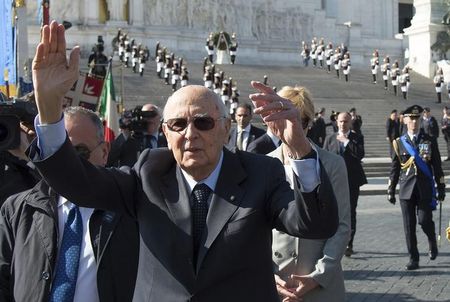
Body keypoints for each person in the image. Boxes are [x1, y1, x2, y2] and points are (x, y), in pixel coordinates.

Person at [28, 21, 338, 302]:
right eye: (178, 125)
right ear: (164, 132)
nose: (190, 135)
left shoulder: (261, 173)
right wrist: (49, 107)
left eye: (203, 123)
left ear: (226, 128)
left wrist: (298, 147)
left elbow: (315, 223)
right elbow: (77, 183)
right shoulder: (148, 174)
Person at [0, 106, 139, 302]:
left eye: (79, 152)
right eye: (56, 152)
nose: (65, 163)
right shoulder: (16, 210)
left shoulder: (133, 209)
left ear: (105, 151)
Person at [271, 86, 350, 302]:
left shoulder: (333, 164)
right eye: (285, 120)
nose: (293, 130)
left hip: (321, 286)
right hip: (275, 284)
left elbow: (342, 226)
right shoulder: (263, 164)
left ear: (310, 123)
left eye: (300, 122)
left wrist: (318, 275)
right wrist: (268, 275)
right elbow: (252, 230)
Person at [388, 105, 445, 270]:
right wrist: (391, 189)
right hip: (406, 190)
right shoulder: (399, 143)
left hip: (424, 188)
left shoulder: (429, 140)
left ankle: (432, 240)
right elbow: (395, 168)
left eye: (417, 118)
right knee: (409, 225)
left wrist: (441, 186)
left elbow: (437, 166)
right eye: (411, 118)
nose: (414, 121)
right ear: (405, 120)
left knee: (424, 220)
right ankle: (414, 258)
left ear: (420, 120)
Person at [324, 112, 367, 257]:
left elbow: (360, 154)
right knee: (333, 211)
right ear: (337, 122)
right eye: (341, 121)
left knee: (350, 211)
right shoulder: (330, 138)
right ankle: (333, 240)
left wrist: (346, 142)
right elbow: (324, 159)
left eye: (346, 121)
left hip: (352, 181)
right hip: (334, 181)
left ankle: (349, 242)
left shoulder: (357, 137)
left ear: (350, 122)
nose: (343, 124)